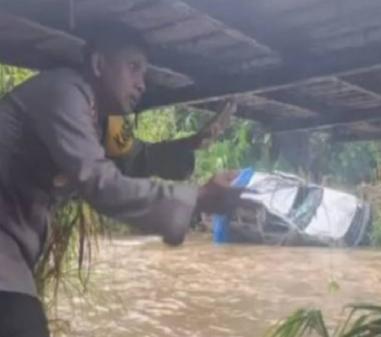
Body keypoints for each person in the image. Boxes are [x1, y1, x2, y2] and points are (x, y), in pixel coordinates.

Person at [0, 23, 242, 336]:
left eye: (144, 73)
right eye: (133, 68)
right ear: (99, 65)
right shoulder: (65, 93)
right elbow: (101, 182)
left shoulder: (108, 122)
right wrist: (195, 197)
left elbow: (139, 158)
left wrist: (194, 142)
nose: (142, 84)